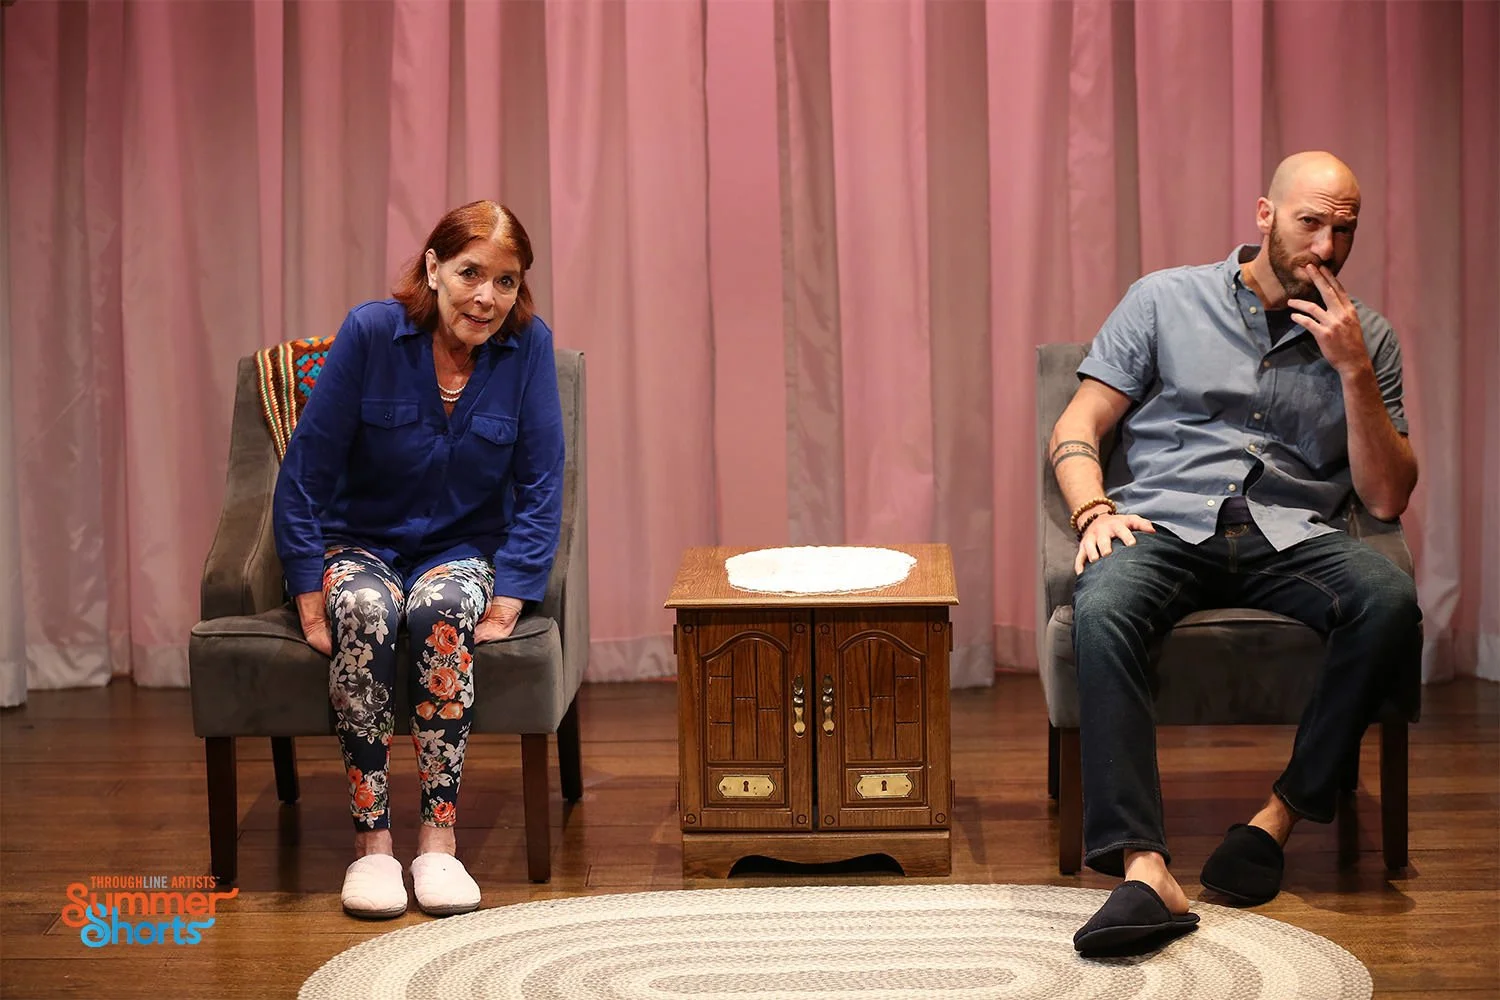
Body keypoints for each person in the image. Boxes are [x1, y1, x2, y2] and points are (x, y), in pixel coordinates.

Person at [1050, 152, 1421, 955]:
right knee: (1103, 603)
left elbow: (1387, 498)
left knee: (1388, 599)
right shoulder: (1162, 299)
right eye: (1309, 222)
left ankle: (1277, 819)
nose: (1325, 246)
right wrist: (1093, 508)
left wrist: (1354, 372)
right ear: (1264, 215)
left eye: (1343, 228)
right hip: (1165, 522)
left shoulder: (1371, 338)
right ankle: (1145, 869)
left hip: (1289, 532)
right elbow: (1078, 425)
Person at [273, 201, 565, 919]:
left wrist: (516, 588)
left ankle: (438, 840)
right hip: (359, 543)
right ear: (433, 267)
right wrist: (308, 586)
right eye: (470, 273)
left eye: (506, 281)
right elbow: (306, 470)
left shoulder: (528, 346)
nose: (486, 297)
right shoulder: (374, 331)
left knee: (438, 612)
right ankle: (373, 846)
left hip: (462, 550)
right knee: (364, 610)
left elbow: (542, 480)